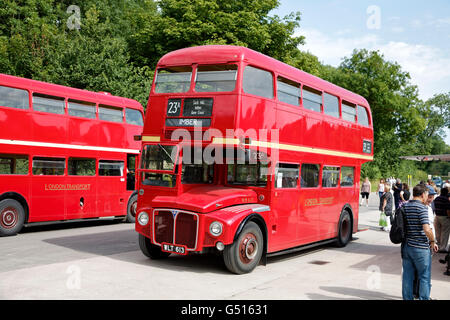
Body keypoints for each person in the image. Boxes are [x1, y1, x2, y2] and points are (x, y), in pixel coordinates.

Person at [401, 184, 439, 300]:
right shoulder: (422, 208)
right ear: (422, 194)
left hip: (407, 246)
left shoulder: (405, 206)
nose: (427, 197)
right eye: (427, 195)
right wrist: (432, 241)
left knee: (407, 276)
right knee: (424, 276)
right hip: (421, 247)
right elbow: (426, 228)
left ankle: (407, 298)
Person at [433, 186, 450, 253]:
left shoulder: (437, 198)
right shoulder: (446, 200)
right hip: (444, 217)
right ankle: (443, 248)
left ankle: (438, 245)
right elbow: (448, 210)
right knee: (445, 233)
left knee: (438, 232)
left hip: (437, 216)